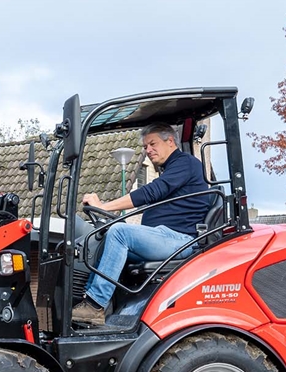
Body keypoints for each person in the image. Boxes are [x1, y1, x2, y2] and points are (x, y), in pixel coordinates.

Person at [72, 123, 212, 326]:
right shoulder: (171, 169)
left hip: (179, 239)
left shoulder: (186, 163)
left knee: (120, 233)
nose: (148, 150)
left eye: (152, 144)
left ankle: (94, 306)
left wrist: (103, 206)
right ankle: (91, 303)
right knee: (101, 242)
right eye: (146, 146)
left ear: (170, 141)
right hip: (163, 236)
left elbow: (150, 192)